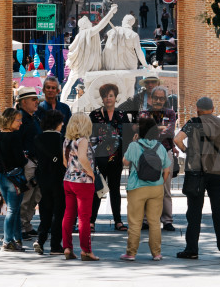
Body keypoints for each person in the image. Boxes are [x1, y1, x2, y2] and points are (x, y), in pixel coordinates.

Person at [174, 96, 220, 259]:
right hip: (218, 172)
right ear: (213, 109)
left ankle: (192, 249)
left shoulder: (193, 122)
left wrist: (187, 151)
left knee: (194, 212)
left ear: (198, 109)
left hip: (197, 172)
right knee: (219, 211)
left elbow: (177, 139)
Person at [120, 115, 172, 261]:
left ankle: (131, 253)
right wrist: (160, 184)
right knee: (155, 222)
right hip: (156, 188)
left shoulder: (134, 146)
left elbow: (125, 162)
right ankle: (156, 253)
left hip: (137, 187)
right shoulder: (160, 147)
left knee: (135, 222)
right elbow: (166, 170)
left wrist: (133, 142)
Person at [89, 84, 131, 231]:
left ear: (116, 97)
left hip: (116, 158)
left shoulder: (122, 115)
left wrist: (126, 155)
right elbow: (90, 137)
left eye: (111, 95)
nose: (108, 98)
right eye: (106, 96)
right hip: (99, 158)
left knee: (115, 189)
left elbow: (127, 136)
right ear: (102, 98)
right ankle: (91, 221)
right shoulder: (94, 115)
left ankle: (118, 221)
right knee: (98, 189)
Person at [137, 86, 178, 231]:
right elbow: (143, 133)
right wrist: (160, 128)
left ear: (165, 99)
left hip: (165, 152)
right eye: (156, 98)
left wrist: (154, 130)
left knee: (165, 188)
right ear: (151, 98)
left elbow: (170, 132)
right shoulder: (144, 113)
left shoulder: (170, 113)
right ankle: (146, 220)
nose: (159, 101)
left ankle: (167, 220)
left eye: (162, 98)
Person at [62, 114, 99, 261]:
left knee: (69, 215)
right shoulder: (83, 140)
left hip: (68, 180)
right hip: (83, 182)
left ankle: (67, 247)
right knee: (84, 217)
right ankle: (86, 250)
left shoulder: (67, 140)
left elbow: (65, 162)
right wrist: (91, 173)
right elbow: (83, 158)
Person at [0, 108, 27, 252]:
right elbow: (20, 160)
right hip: (15, 177)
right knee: (13, 209)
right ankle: (7, 241)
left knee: (14, 209)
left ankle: (17, 239)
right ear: (9, 120)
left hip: (1, 176)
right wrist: (24, 158)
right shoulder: (15, 137)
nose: (21, 123)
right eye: (18, 120)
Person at [33, 109, 66, 255]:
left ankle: (40, 239)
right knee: (58, 213)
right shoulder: (62, 139)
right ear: (58, 123)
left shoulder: (38, 139)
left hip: (43, 178)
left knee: (45, 210)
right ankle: (55, 245)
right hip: (59, 179)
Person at [14, 87, 43, 239]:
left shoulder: (34, 117)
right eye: (33, 99)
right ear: (23, 102)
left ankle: (27, 224)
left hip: (37, 162)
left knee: (35, 196)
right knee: (26, 196)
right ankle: (21, 226)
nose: (36, 102)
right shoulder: (20, 119)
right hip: (28, 163)